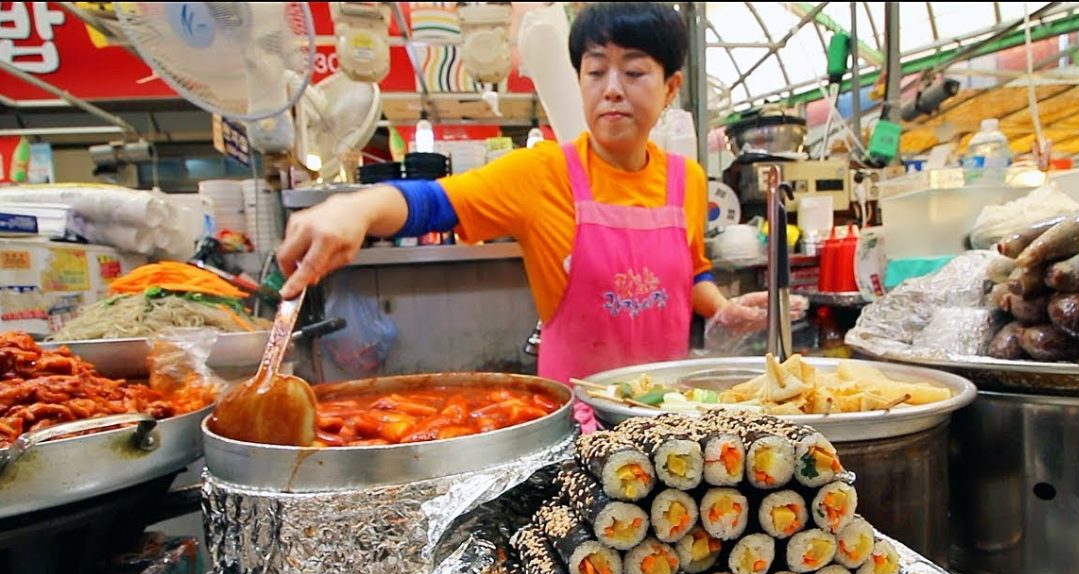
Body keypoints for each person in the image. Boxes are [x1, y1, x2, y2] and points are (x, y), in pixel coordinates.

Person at [277, 2, 767, 389]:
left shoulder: (689, 179)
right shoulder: (544, 172)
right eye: (596, 72)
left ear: (670, 87)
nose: (612, 89)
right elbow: (432, 202)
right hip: (579, 422)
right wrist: (357, 207)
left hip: (663, 415)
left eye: (634, 72)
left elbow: (692, 270)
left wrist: (720, 307)